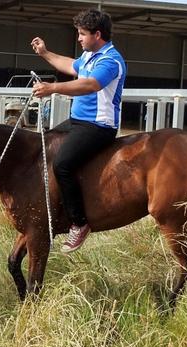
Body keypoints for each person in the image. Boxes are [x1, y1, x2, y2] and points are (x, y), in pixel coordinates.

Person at [30, 9, 126, 253]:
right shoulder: (89, 56)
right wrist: (45, 53)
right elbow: (69, 65)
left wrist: (53, 88)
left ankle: (79, 223)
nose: (79, 38)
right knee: (43, 145)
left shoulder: (110, 60)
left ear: (97, 34)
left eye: (83, 34)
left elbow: (90, 85)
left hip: (99, 127)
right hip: (78, 121)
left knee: (62, 164)